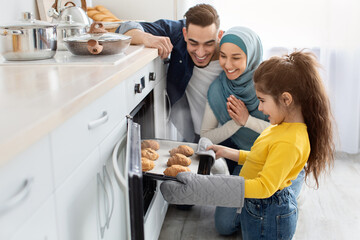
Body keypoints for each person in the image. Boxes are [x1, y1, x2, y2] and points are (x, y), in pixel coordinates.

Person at [160, 50, 335, 239]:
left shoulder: (289, 141)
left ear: (286, 99)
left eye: (262, 101)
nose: (259, 108)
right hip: (257, 207)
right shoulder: (280, 127)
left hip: (270, 213)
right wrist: (229, 152)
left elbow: (264, 187)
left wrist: (208, 186)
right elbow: (259, 158)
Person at [116, 4, 224, 143]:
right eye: (193, 43)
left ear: (219, 35)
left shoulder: (234, 51)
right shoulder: (177, 33)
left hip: (230, 137)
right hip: (194, 138)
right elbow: (125, 29)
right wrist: (147, 38)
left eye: (208, 44)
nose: (200, 52)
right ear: (185, 34)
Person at [200, 26, 269, 175]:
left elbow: (287, 133)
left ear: (251, 56)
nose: (227, 65)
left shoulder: (271, 84)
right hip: (242, 156)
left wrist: (247, 120)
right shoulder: (218, 89)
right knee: (238, 194)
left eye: (236, 58)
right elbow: (205, 136)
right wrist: (236, 123)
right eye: (223, 56)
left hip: (279, 154)